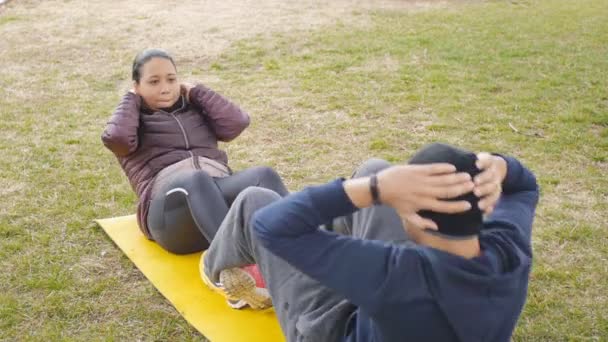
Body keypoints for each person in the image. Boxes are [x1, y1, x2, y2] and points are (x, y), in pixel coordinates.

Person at [199, 143, 539, 341]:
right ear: (486, 201)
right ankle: (327, 229)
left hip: (330, 331)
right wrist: (501, 165)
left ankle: (214, 268)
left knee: (255, 199)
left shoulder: (395, 273)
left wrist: (376, 189)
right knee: (374, 166)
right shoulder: (509, 250)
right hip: (395, 315)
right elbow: (525, 187)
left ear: (417, 218)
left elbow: (271, 226)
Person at [101, 48, 288, 255]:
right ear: (137, 86)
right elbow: (117, 139)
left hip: (214, 202)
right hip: (170, 218)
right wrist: (131, 99)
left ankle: (301, 244)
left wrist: (197, 92)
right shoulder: (131, 119)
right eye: (154, 82)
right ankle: (228, 262)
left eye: (171, 79)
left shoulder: (195, 107)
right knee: (195, 180)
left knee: (263, 175)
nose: (165, 88)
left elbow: (237, 123)